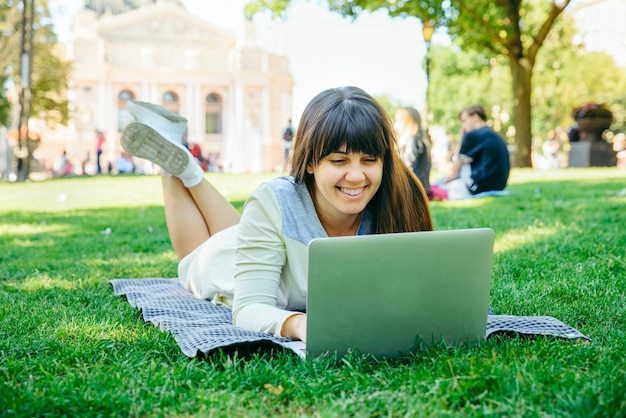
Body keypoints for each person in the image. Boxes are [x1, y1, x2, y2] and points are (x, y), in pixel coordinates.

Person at [119, 87, 433, 342]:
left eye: (368, 160)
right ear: (310, 162)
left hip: (258, 238)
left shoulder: (399, 199)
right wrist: (300, 324)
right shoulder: (275, 200)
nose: (355, 176)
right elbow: (249, 308)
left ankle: (185, 162)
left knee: (247, 228)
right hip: (224, 263)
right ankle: (175, 164)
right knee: (190, 258)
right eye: (339, 161)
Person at [433, 105, 510, 200]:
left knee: (436, 188)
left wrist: (463, 135)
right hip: (497, 186)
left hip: (478, 186)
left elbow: (455, 170)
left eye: (464, 121)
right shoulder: (495, 135)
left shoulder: (472, 135)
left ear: (475, 116)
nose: (463, 126)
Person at [394, 107, 432, 198]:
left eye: (398, 121)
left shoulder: (412, 140)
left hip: (414, 190)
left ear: (409, 122)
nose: (396, 125)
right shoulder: (415, 139)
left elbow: (408, 167)